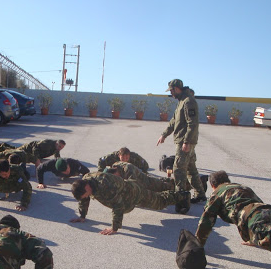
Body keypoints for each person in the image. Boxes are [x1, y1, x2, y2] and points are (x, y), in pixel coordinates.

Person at [69, 171, 187, 235]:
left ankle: (184, 194)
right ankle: (173, 185)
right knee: (158, 193)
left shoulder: (105, 186)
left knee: (160, 202)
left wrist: (114, 227)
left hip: (134, 193)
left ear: (87, 187)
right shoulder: (85, 181)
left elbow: (118, 206)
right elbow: (84, 199)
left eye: (85, 195)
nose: (86, 198)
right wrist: (82, 216)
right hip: (125, 195)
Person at [156, 79, 206, 214]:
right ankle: (201, 194)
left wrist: (187, 142)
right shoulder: (181, 102)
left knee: (178, 169)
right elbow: (173, 121)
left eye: (171, 90)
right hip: (183, 140)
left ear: (177, 88)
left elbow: (192, 123)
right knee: (190, 168)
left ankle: (181, 199)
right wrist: (164, 135)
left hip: (185, 141)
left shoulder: (189, 101)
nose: (171, 93)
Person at [0, 139, 65, 168]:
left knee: (14, 149)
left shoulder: (56, 148)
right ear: (56, 143)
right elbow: (35, 148)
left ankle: (1, 146)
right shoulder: (47, 143)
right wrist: (37, 159)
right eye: (59, 146)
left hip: (31, 151)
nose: (60, 148)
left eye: (61, 148)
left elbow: (57, 157)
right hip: (28, 148)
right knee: (13, 151)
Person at [106, 161, 174, 192]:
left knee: (163, 186)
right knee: (159, 180)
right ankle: (170, 180)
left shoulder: (128, 169)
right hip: (141, 177)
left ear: (116, 170)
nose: (116, 178)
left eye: (116, 176)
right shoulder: (115, 165)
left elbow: (132, 184)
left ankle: (178, 185)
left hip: (145, 182)